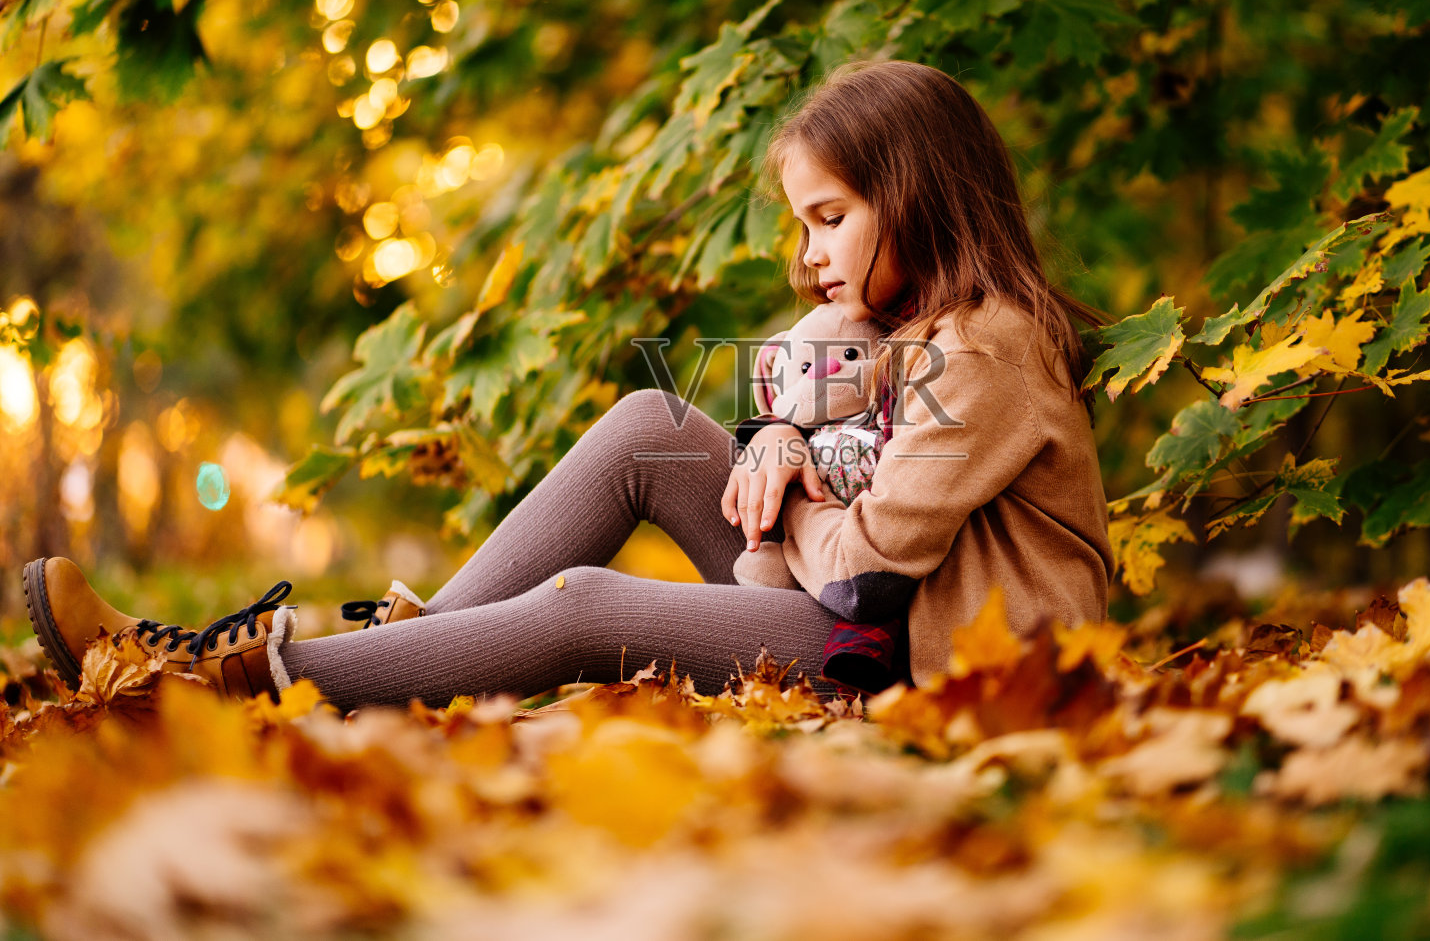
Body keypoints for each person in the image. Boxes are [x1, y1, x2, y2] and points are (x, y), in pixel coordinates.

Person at [22, 60, 1115, 711]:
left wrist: (794, 486)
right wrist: (780, 432)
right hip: (865, 619)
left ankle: (226, 685)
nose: (809, 255)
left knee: (584, 608)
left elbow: (864, 569)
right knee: (654, 424)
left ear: (919, 196)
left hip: (936, 665)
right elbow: (801, 440)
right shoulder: (890, 327)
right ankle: (380, 664)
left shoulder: (986, 350)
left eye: (831, 219)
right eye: (802, 224)